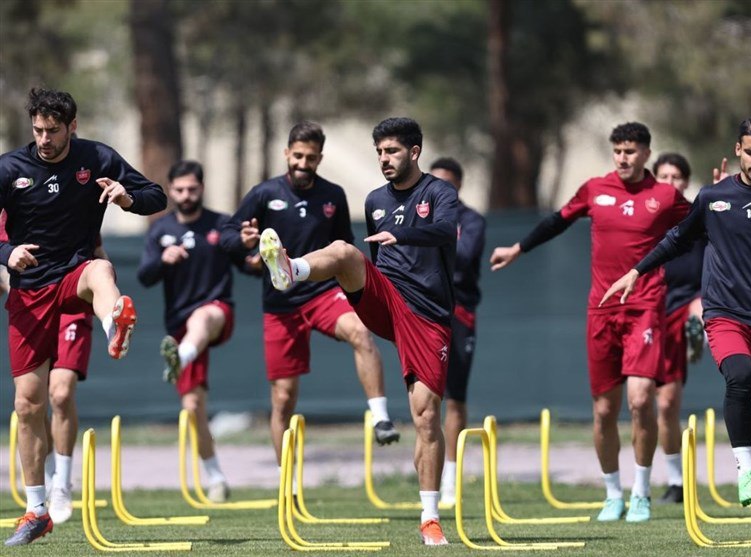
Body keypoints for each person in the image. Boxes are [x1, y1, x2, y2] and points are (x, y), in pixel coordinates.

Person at [257, 117, 457, 545]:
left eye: (392, 151)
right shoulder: (374, 200)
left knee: (426, 415)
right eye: (379, 152)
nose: (384, 159)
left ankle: (429, 518)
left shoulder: (439, 192)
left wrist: (403, 234)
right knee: (345, 252)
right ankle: (292, 269)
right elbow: (374, 257)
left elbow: (444, 231)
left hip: (427, 314)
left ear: (414, 152)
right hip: (386, 296)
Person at [601, 115, 751, 540]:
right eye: (750, 152)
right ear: (737, 150)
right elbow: (677, 238)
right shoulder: (714, 197)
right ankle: (744, 469)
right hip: (726, 313)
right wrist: (637, 271)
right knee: (739, 374)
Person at [490, 122, 690, 523]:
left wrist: (721, 198)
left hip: (645, 307)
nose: (622, 158)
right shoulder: (595, 189)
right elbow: (557, 220)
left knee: (640, 399)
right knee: (603, 411)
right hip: (601, 311)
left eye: (630, 151)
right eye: (617, 151)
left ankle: (641, 493)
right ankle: (613, 493)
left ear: (646, 154)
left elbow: (704, 225)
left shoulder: (666, 196)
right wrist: (518, 248)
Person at [0, 87, 166, 546]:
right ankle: (37, 510)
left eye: (53, 131)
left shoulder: (97, 158)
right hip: (30, 290)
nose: (44, 139)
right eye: (38, 130)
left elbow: (156, 196)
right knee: (27, 404)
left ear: (72, 126)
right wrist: (7, 253)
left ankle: (116, 324)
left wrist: (126, 198)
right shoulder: (10, 168)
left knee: (101, 270)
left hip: (75, 273)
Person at [219, 121, 400, 490]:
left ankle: (381, 417)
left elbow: (344, 247)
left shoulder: (333, 195)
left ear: (320, 158)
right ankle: (287, 483)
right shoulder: (264, 193)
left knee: (360, 332)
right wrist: (244, 243)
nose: (303, 163)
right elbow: (226, 238)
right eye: (298, 156)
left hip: (322, 292)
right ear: (287, 153)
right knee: (283, 398)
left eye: (311, 158)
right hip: (280, 305)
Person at [138, 160, 254, 503]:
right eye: (179, 190)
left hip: (217, 312)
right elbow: (145, 276)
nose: (186, 195)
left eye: (192, 189)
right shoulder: (160, 230)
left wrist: (259, 255)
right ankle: (216, 477)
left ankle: (181, 357)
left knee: (202, 318)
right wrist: (163, 259)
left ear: (201, 188)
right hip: (179, 325)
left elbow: (247, 265)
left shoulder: (220, 224)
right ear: (170, 191)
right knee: (192, 408)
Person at [1, 212, 104, 524]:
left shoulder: (66, 201)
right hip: (31, 307)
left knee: (60, 394)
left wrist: (104, 298)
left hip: (71, 303)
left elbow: (98, 254)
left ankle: (62, 483)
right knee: (33, 402)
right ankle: (47, 472)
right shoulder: (7, 214)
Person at [427, 157, 486, 506]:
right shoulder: (418, 214)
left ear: (459, 185)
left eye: (447, 183)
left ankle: (451, 478)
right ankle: (428, 479)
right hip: (425, 312)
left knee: (455, 397)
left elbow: (463, 256)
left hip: (460, 313)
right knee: (426, 397)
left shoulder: (471, 220)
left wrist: (426, 241)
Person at [650, 153, 705, 504]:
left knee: (669, 401)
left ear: (685, 182)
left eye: (676, 177)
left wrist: (699, 303)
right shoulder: (645, 218)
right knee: (654, 405)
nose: (670, 182)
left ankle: (700, 331)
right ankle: (672, 480)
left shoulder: (700, 216)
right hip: (648, 312)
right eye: (663, 176)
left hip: (686, 307)